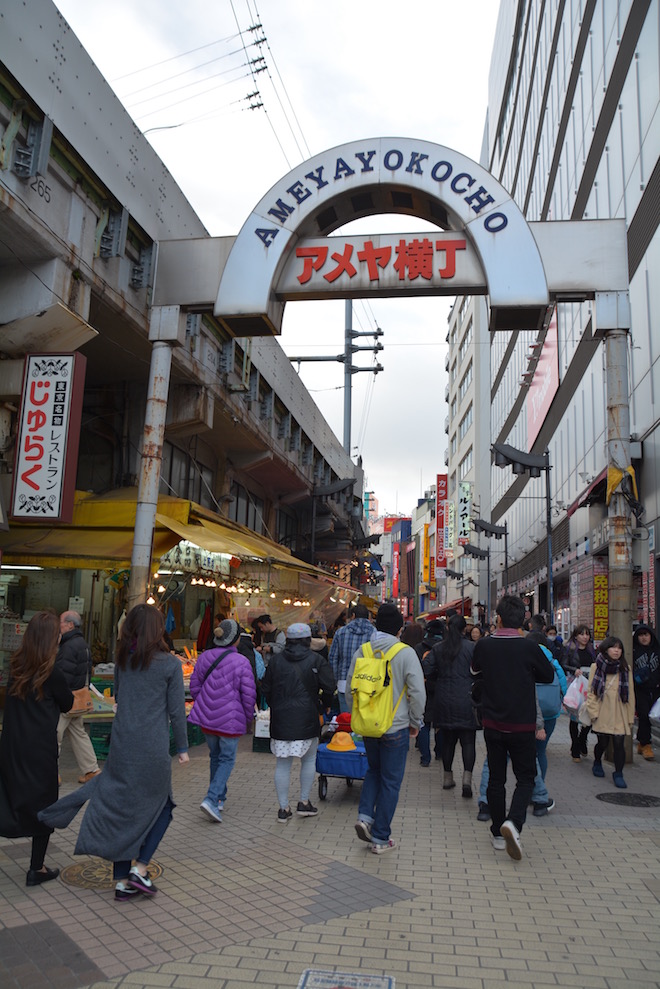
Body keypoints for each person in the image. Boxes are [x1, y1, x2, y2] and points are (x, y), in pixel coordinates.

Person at [39, 604, 189, 902]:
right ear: (157, 630)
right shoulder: (169, 664)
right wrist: (183, 748)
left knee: (123, 810)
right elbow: (176, 710)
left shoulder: (123, 660)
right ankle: (140, 868)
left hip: (122, 745)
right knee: (165, 806)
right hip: (152, 747)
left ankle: (121, 882)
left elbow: (119, 696)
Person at [471, 594, 554, 861]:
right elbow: (548, 675)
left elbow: (474, 672)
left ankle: (497, 832)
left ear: (498, 618)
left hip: (493, 723)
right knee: (526, 778)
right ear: (524, 620)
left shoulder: (484, 645)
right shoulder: (530, 648)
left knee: (496, 779)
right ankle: (514, 822)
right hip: (522, 724)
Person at [0, 612, 74, 886]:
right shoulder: (51, 672)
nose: (59, 636)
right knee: (45, 806)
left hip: (12, 744)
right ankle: (36, 868)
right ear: (49, 638)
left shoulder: (16, 665)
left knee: (11, 795)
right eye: (57, 633)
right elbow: (66, 703)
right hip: (40, 749)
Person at [347, 603, 426, 854]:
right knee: (391, 782)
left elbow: (351, 688)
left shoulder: (363, 650)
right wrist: (417, 722)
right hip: (396, 727)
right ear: (399, 628)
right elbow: (418, 692)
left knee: (373, 771)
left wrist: (359, 716)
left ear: (375, 624)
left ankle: (364, 818)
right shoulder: (405, 653)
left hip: (369, 727)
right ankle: (381, 838)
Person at [260, 623, 336, 822]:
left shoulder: (276, 661)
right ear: (307, 639)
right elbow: (329, 686)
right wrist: (325, 706)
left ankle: (283, 809)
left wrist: (275, 704)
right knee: (308, 761)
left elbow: (265, 688)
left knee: (282, 764)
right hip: (308, 718)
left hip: (281, 718)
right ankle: (304, 802)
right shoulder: (316, 660)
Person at [189, 619, 257, 823]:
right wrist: (247, 718)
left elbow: (194, 686)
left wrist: (207, 703)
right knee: (226, 759)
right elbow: (248, 695)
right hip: (230, 720)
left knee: (216, 757)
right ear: (235, 640)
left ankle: (219, 798)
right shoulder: (241, 662)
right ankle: (211, 799)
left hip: (207, 719)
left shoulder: (204, 657)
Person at [423, 615, 477, 797]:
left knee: (448, 741)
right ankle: (467, 780)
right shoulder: (472, 648)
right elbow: (480, 672)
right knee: (468, 742)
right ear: (464, 630)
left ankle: (448, 777)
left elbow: (427, 669)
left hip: (444, 699)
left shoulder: (438, 648)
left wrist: (439, 676)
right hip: (466, 699)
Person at [55, 610, 101, 785]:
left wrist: (58, 697)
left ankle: (52, 773)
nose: (59, 627)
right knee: (79, 734)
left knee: (55, 735)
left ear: (70, 625)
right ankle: (91, 769)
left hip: (67, 701)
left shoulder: (68, 646)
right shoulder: (83, 644)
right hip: (79, 699)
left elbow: (62, 676)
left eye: (61, 623)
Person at [585, 636, 635, 788]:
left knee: (619, 743)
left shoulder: (625, 668)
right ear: (606, 649)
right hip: (603, 709)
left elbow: (630, 693)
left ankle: (618, 773)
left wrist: (630, 716)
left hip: (620, 709)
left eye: (619, 648)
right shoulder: (597, 666)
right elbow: (591, 691)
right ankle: (597, 761)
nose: (616, 651)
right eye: (613, 647)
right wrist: (593, 712)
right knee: (603, 742)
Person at [526, 630, 567, 780]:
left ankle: (530, 785)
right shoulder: (553, 661)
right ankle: (540, 785)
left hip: (529, 711)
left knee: (527, 751)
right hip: (550, 712)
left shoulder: (525, 658)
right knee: (541, 751)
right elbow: (563, 686)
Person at [328, 603, 374, 714]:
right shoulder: (375, 634)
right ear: (368, 617)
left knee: (346, 719)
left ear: (353, 615)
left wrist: (335, 680)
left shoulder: (341, 632)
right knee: (365, 718)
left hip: (344, 681)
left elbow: (333, 658)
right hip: (368, 682)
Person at [414, 619, 445, 765]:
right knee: (439, 724)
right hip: (441, 688)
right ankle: (439, 752)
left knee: (424, 724)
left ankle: (425, 758)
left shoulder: (419, 648)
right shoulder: (445, 648)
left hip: (423, 688)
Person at [564, 624, 597, 761]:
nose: (585, 637)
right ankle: (575, 748)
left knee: (588, 715)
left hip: (589, 685)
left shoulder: (592, 650)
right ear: (576, 635)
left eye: (587, 634)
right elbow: (563, 664)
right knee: (574, 717)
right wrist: (574, 670)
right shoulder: (569, 648)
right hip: (575, 684)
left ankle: (582, 740)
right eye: (582, 634)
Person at [632, 624, 660, 760]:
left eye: (646, 635)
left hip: (656, 688)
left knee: (653, 715)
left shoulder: (657, 649)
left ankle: (642, 741)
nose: (643, 638)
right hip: (640, 689)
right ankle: (645, 743)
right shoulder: (633, 651)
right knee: (643, 714)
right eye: (640, 635)